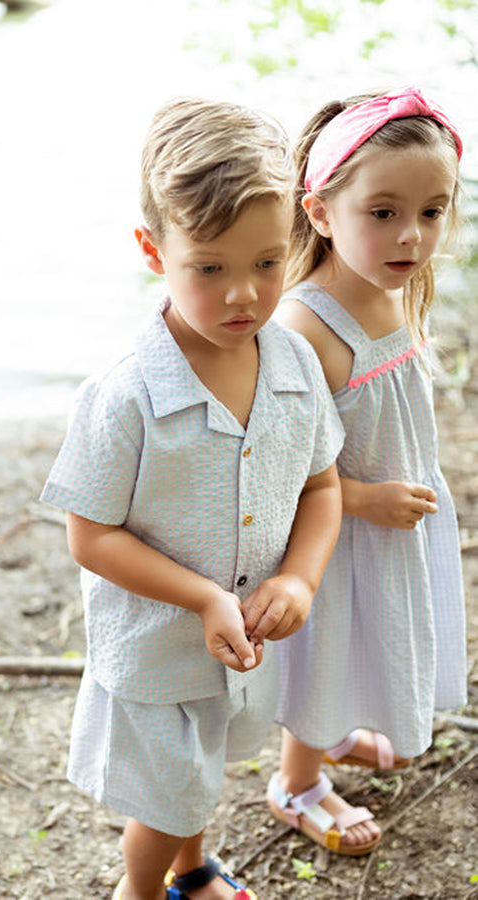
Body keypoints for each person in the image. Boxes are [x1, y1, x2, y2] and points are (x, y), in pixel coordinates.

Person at [40, 97, 345, 900]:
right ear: (153, 250)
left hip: (241, 637)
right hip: (157, 645)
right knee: (168, 790)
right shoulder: (127, 394)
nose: (244, 293)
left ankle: (194, 869)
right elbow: (91, 537)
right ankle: (138, 892)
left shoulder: (294, 366)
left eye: (268, 263)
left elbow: (321, 486)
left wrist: (299, 579)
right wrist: (202, 595)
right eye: (209, 268)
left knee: (197, 768)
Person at [269, 86, 468, 856]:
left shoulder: (396, 286)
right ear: (320, 212)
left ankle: (340, 732)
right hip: (336, 536)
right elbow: (275, 473)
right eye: (382, 212)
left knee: (373, 640)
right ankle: (298, 780)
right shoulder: (304, 327)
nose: (412, 236)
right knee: (327, 652)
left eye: (432, 210)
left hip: (392, 521)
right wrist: (365, 498)